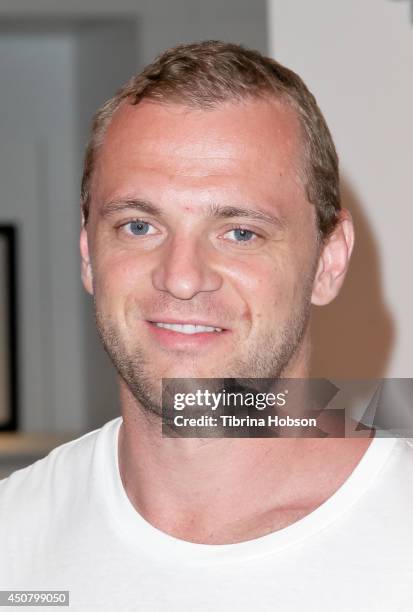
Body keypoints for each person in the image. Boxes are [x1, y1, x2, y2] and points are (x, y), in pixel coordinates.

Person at [0, 40, 412, 611]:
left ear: (329, 260)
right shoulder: (13, 542)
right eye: (140, 226)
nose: (183, 278)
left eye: (240, 232)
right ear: (89, 253)